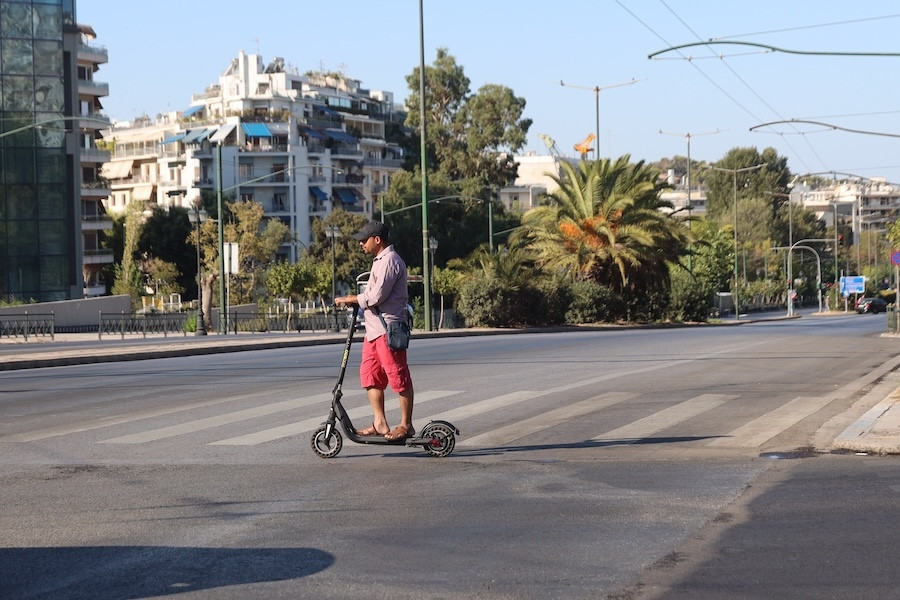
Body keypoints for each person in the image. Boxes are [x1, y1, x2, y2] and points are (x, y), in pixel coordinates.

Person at [334, 220, 414, 441]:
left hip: (388, 330)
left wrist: (352, 298)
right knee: (371, 376)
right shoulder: (379, 261)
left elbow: (377, 296)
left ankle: (406, 425)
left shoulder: (390, 261)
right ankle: (379, 423)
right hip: (373, 331)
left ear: (377, 240)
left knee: (398, 377)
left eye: (364, 240)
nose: (361, 244)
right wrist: (357, 304)